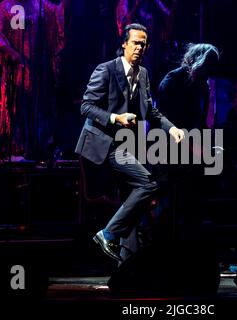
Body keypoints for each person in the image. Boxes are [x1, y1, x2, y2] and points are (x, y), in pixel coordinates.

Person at [75, 23, 185, 262]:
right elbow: (86, 107)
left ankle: (127, 264)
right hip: (104, 145)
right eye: (135, 42)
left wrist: (172, 128)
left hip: (126, 145)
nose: (139, 48)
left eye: (143, 44)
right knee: (147, 184)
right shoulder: (105, 70)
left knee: (132, 198)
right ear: (124, 44)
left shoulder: (143, 74)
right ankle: (108, 234)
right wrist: (116, 117)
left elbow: (151, 111)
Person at [0, 0, 69, 161]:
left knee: (39, 107)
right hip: (15, 68)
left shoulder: (41, 5)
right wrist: (13, 54)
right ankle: (16, 149)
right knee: (17, 106)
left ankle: (38, 148)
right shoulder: (5, 6)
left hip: (37, 68)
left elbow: (58, 17)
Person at [155, 43, 219, 240]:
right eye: (208, 68)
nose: (209, 74)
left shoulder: (203, 86)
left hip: (192, 154)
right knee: (170, 208)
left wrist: (211, 146)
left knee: (194, 207)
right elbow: (167, 123)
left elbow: (200, 124)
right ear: (199, 62)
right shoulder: (172, 81)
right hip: (168, 152)